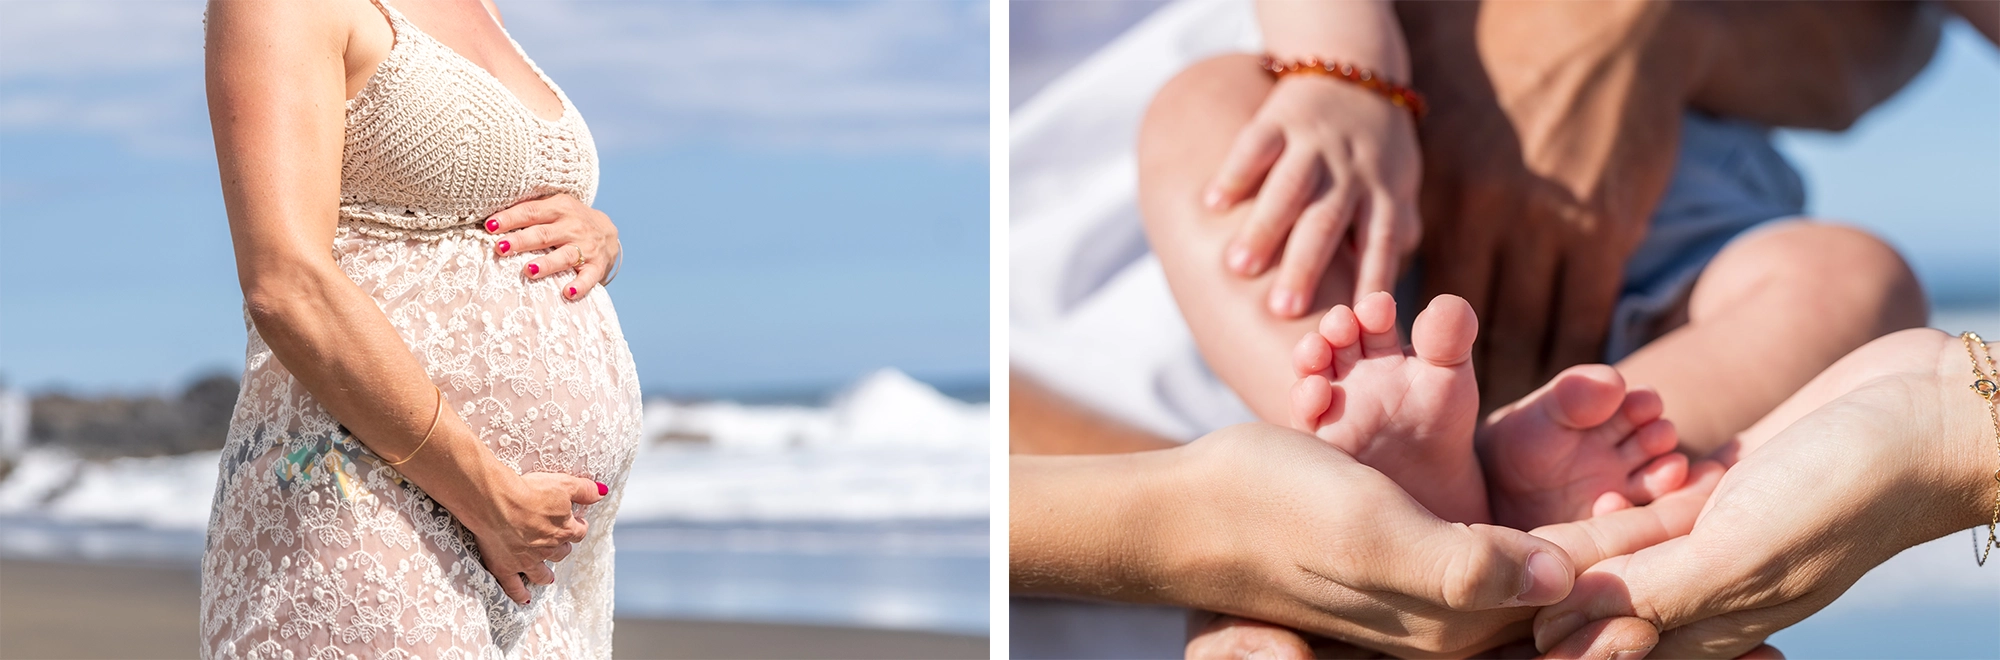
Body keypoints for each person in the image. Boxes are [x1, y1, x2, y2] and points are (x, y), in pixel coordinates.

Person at [200, 0, 638, 656]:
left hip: (545, 555)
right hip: (361, 493)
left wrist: (598, 235)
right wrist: (489, 497)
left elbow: (485, 196)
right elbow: (285, 282)